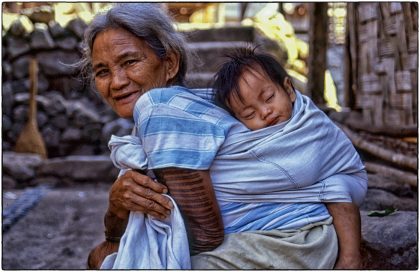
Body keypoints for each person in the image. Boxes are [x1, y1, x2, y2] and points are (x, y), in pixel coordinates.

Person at [82, 3, 367, 269]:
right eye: (103, 71)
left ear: (170, 64)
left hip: (287, 240)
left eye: (130, 62)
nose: (117, 82)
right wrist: (117, 208)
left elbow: (205, 236)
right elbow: (117, 237)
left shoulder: (159, 108)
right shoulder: (186, 114)